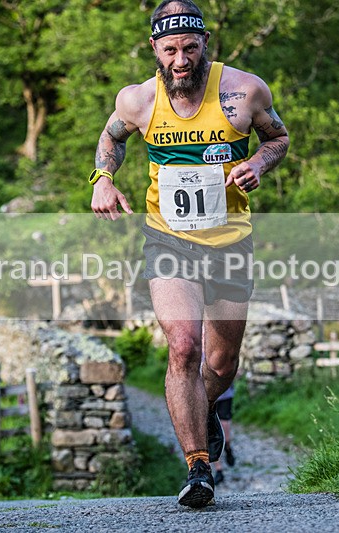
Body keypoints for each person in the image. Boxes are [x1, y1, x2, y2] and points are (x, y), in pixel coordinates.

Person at [90, 0, 289, 508]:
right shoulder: (137, 99)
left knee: (221, 363)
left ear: (205, 45)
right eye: (170, 49)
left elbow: (278, 138)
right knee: (183, 345)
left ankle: (207, 405)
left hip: (230, 242)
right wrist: (103, 179)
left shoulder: (244, 91)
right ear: (155, 49)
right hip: (168, 239)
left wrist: (259, 166)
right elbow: (111, 138)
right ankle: (199, 467)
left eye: (190, 48)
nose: (181, 60)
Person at [211, 383, 236, 485]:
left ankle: (228, 449)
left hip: (225, 396)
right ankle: (219, 470)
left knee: (226, 438)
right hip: (207, 396)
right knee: (213, 436)